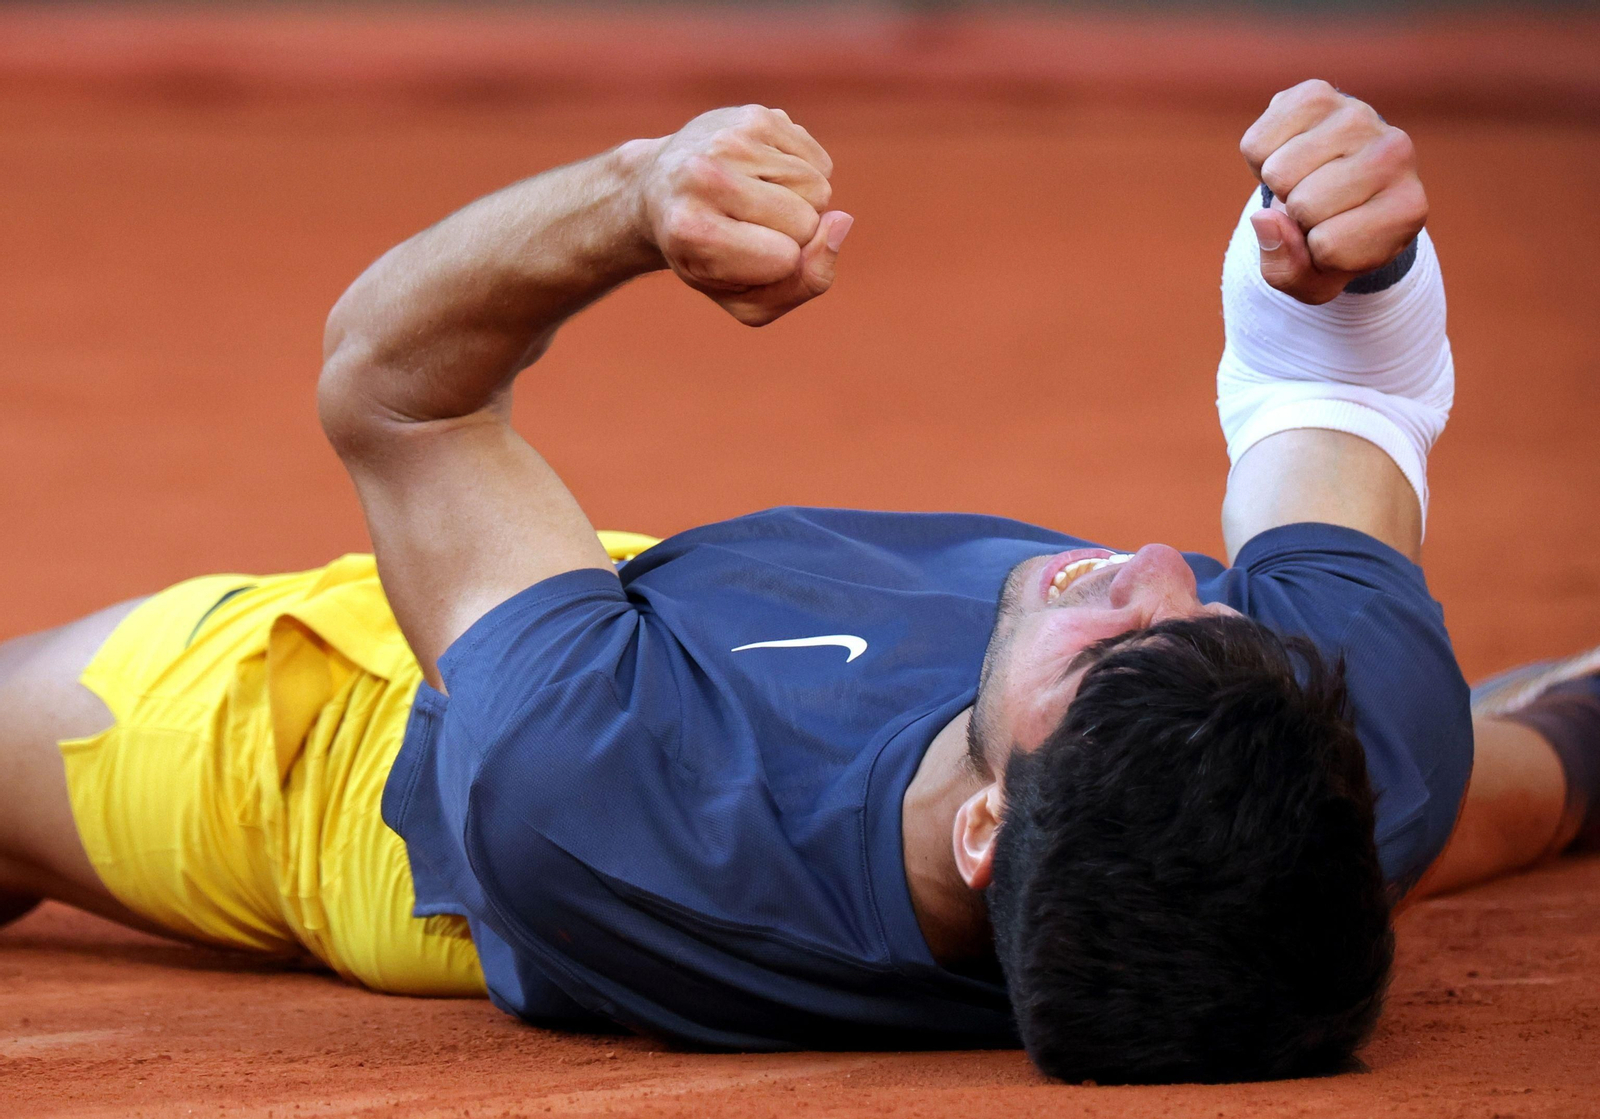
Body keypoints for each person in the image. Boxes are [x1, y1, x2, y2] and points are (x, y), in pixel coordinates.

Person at [1, 80, 1594, 1085]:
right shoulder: (1344, 755)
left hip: (367, 762)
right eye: (1217, 623)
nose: (1161, 568)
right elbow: (1336, 389)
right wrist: (1350, 257)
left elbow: (397, 390)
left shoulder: (606, 790)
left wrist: (638, 195)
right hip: (660, 663)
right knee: (1484, 794)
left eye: (1118, 649)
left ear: (986, 830)